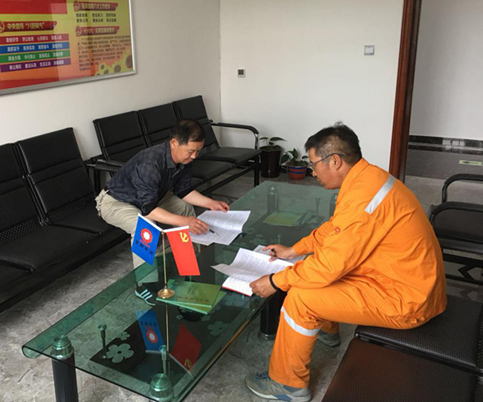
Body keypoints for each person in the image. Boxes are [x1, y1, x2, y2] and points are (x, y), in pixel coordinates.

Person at [246, 123, 446, 402]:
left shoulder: (364, 196)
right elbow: (335, 229)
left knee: (300, 296)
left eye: (314, 164)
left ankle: (287, 385)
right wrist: (294, 250)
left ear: (335, 161)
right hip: (400, 278)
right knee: (321, 266)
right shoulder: (366, 179)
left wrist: (275, 281)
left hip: (407, 298)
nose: (312, 172)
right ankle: (327, 331)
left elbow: (329, 266)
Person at [96, 119, 229, 304]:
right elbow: (148, 210)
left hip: (153, 196)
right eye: (191, 151)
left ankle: (186, 262)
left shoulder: (184, 158)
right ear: (174, 143)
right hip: (116, 201)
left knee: (184, 208)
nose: (194, 156)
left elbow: (183, 190)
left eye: (198, 151)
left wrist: (210, 203)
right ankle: (144, 284)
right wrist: (185, 222)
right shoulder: (150, 162)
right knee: (146, 227)